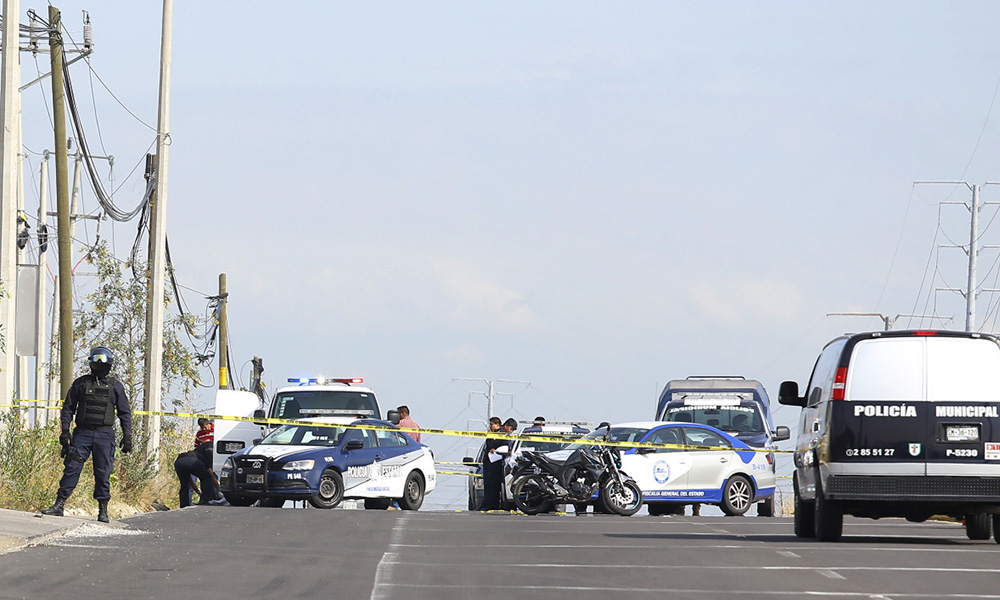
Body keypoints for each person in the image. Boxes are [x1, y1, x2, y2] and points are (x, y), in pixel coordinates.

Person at [41, 346, 132, 524]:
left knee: (103, 473)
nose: (98, 364)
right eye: (95, 360)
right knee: (72, 468)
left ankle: (103, 510)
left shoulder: (116, 386)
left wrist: (127, 436)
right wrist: (65, 431)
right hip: (82, 433)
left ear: (109, 364)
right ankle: (59, 505)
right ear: (90, 362)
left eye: (102, 361)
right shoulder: (80, 383)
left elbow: (125, 413)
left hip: (105, 435)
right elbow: (68, 408)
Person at [174, 441, 222, 508]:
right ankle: (206, 500)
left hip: (179, 463)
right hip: (193, 462)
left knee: (184, 485)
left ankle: (184, 505)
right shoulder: (201, 457)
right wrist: (219, 490)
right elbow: (212, 477)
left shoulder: (189, 454)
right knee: (207, 478)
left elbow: (190, 481)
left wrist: (199, 493)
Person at [479, 417, 504, 511]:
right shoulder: (491, 434)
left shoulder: (502, 434)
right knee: (488, 484)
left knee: (493, 484)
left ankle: (492, 504)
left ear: (497, 425)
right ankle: (486, 503)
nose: (490, 426)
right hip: (488, 461)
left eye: (492, 424)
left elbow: (500, 444)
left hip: (495, 462)